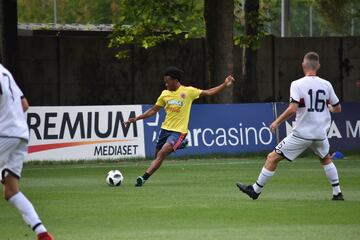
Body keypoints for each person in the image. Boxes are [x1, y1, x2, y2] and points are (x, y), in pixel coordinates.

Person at [236, 52, 344, 201]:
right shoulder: (326, 85)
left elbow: (293, 108)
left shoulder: (297, 84)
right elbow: (338, 108)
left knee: (272, 158)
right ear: (318, 66)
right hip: (320, 133)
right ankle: (337, 193)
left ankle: (255, 190)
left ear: (303, 65)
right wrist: (330, 108)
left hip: (302, 134)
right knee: (325, 159)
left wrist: (277, 122)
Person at [127, 66, 235, 187]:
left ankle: (143, 178)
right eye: (165, 81)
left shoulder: (188, 91)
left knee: (162, 153)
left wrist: (224, 84)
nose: (166, 84)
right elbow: (153, 110)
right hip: (165, 129)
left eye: (167, 81)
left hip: (179, 132)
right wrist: (137, 118)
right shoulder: (164, 94)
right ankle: (180, 145)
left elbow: (208, 92)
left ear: (175, 80)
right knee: (157, 155)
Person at [0, 64, 54, 240]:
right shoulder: (4, 71)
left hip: (4, 133)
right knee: (11, 191)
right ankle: (43, 234)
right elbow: (24, 104)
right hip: (21, 134)